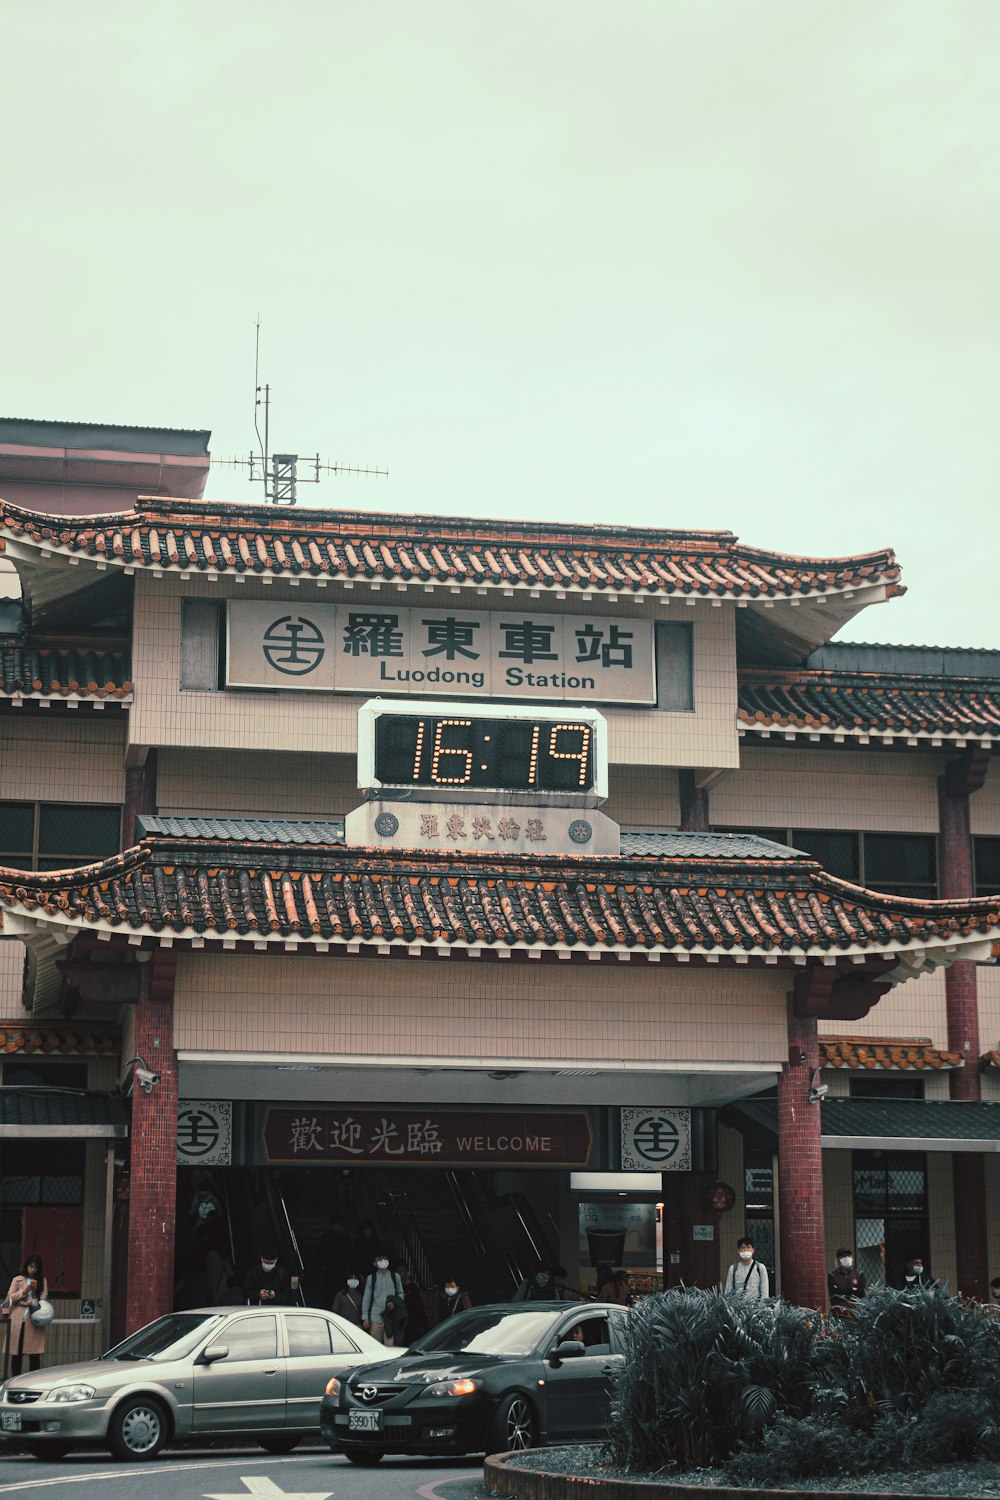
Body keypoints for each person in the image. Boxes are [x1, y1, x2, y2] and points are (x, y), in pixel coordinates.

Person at [2, 1254, 49, 1376]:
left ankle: (33, 1381)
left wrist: (36, 1301)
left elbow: (44, 1297)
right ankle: (15, 1380)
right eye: (31, 1266)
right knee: (17, 1354)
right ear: (26, 1266)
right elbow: (10, 1299)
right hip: (18, 1319)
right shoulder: (17, 1279)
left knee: (35, 1354)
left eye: (36, 1267)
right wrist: (26, 1290)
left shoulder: (42, 1280)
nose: (33, 1269)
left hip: (34, 1319)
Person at [362, 1256, 406, 1345]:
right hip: (375, 1317)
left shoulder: (395, 1276)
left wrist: (395, 1303)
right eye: (379, 1260)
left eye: (384, 1259)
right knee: (375, 1347)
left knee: (390, 1348)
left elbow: (401, 1293)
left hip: (390, 1317)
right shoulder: (371, 1278)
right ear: (375, 1264)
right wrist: (365, 1317)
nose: (382, 1262)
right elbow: (366, 1298)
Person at [828, 1247, 866, 1315]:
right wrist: (852, 1290)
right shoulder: (832, 1276)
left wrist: (843, 1293)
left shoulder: (859, 1274)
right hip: (839, 1312)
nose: (846, 1258)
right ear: (838, 1259)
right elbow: (834, 1293)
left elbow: (861, 1292)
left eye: (848, 1256)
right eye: (843, 1256)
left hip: (857, 1311)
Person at [395, 1262, 428, 1339]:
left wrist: (422, 1323)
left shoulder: (413, 1288)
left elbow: (419, 1306)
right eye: (398, 1272)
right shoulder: (396, 1288)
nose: (400, 1274)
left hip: (412, 1322)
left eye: (402, 1271)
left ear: (407, 1272)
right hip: (400, 1321)